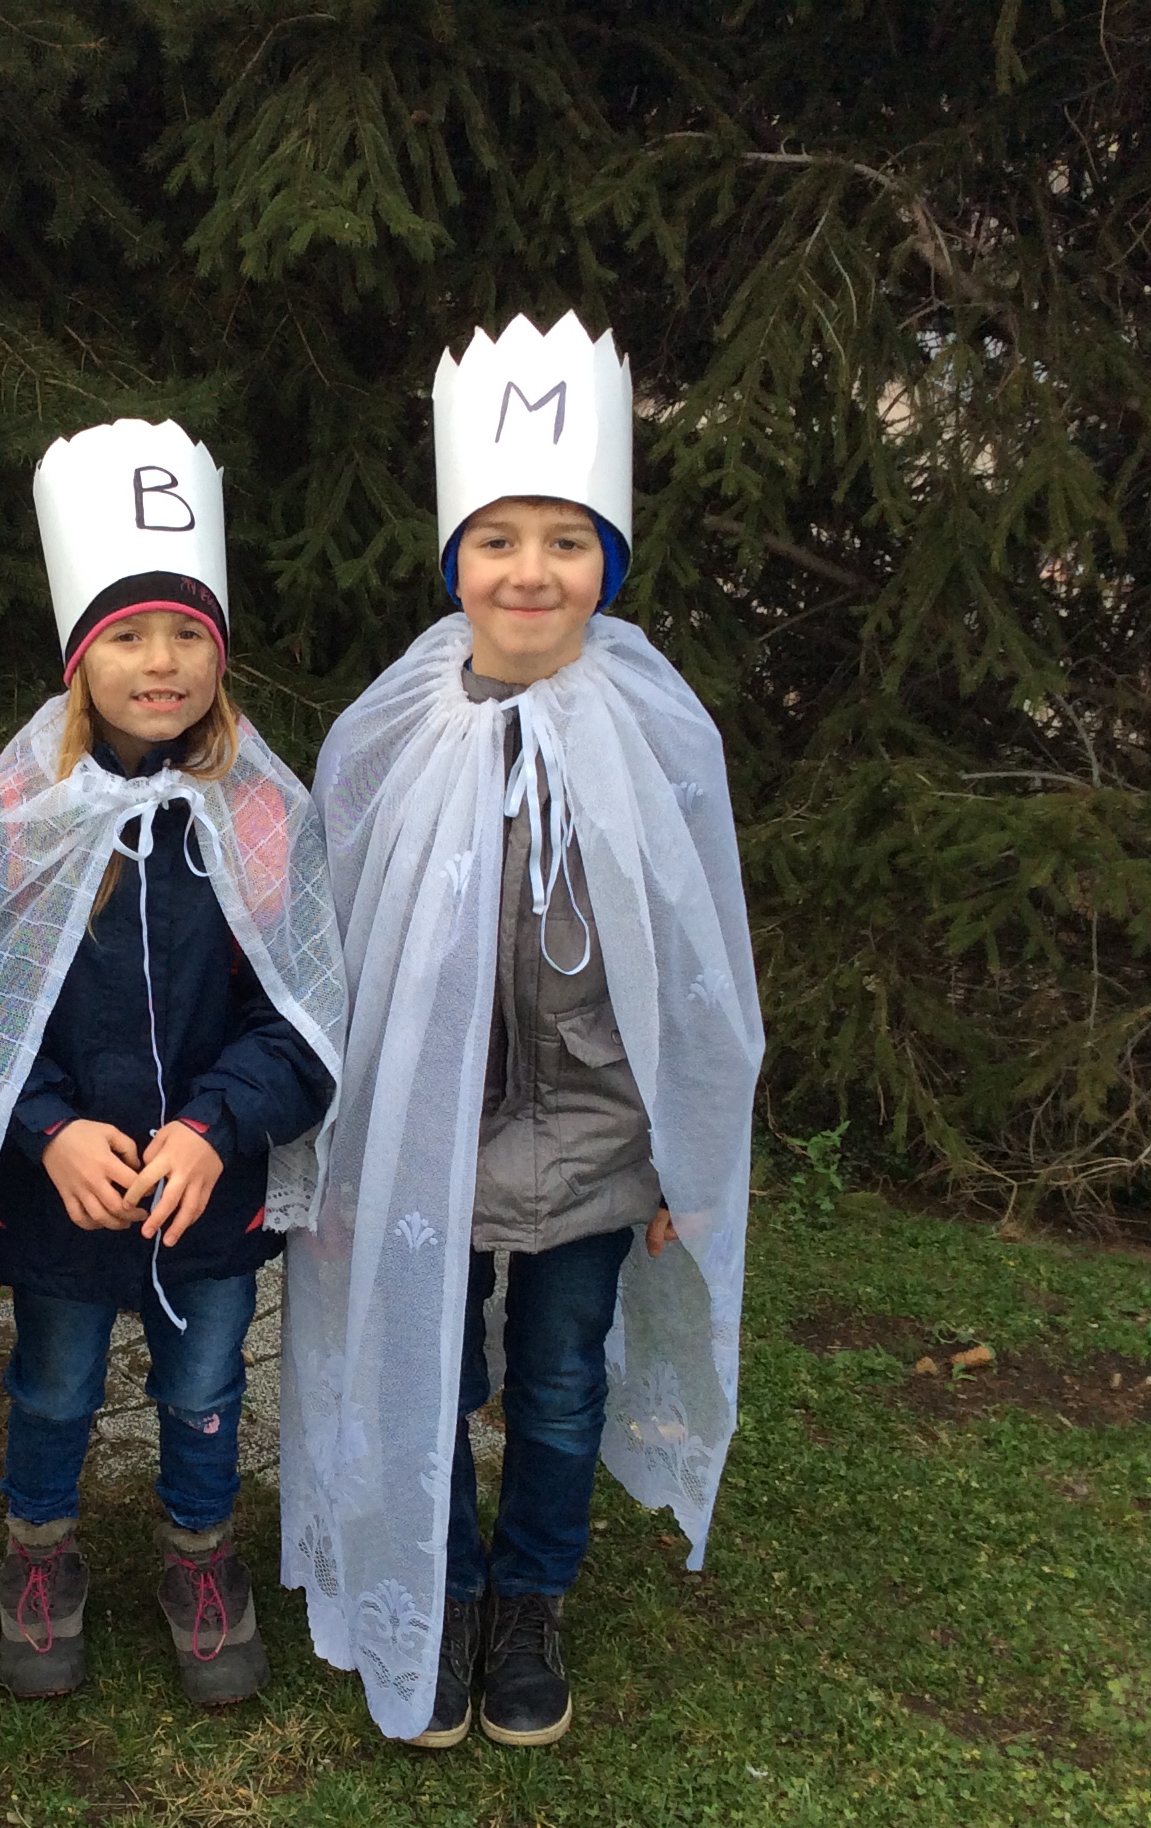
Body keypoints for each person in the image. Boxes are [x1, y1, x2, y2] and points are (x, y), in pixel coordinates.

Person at [281, 315, 764, 1749]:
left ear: (607, 561)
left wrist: (688, 1157)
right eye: (497, 540)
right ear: (457, 563)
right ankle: (436, 1590)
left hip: (603, 1141)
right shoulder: (387, 732)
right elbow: (334, 948)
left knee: (557, 1387)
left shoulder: (659, 730)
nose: (531, 571)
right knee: (424, 1375)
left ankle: (531, 1597)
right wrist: (339, 1142)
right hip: (427, 1134)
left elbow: (701, 959)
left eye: (566, 541)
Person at [0, 419, 345, 1707]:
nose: (161, 662)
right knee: (54, 1384)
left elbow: (308, 1014)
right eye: (128, 635)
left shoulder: (260, 816)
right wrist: (46, 1129)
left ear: (221, 651)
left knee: (206, 1381)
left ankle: (200, 1556)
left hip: (209, 1191)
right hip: (70, 1198)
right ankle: (38, 1555)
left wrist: (217, 1126)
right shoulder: (20, 814)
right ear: (80, 658)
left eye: (187, 633)